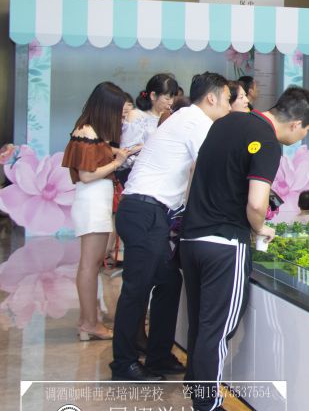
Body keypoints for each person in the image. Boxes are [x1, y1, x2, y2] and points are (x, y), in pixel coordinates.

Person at [180, 86, 309, 411]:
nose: (301, 138)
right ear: (296, 124)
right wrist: (260, 228)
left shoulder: (227, 122)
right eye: (305, 132)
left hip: (192, 237)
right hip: (225, 243)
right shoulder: (267, 141)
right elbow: (257, 202)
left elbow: (196, 172)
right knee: (219, 328)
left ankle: (197, 389)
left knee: (201, 323)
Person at [110, 72, 231, 382]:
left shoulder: (187, 117)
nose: (230, 107)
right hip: (144, 210)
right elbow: (209, 169)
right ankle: (123, 364)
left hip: (149, 212)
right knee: (136, 289)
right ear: (212, 98)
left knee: (169, 281)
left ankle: (159, 355)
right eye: (228, 99)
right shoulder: (197, 122)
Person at [61, 82, 136, 341]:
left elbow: (98, 154)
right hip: (91, 204)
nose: (120, 116)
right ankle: (89, 323)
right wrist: (117, 162)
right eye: (118, 111)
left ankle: (88, 320)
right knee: (89, 264)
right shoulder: (86, 132)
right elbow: (86, 175)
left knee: (92, 264)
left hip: (96, 203)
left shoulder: (93, 132)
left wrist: (119, 152)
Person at [119, 73, 180, 182]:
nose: (170, 102)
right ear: (153, 95)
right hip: (136, 176)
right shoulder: (137, 115)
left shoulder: (169, 117)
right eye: (167, 98)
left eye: (172, 98)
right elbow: (126, 151)